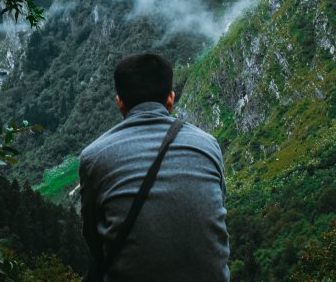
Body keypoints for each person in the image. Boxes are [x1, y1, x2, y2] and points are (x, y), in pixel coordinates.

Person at [79, 53, 230, 281]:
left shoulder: (94, 156)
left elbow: (94, 239)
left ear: (119, 102)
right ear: (171, 98)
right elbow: (217, 209)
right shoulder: (207, 145)